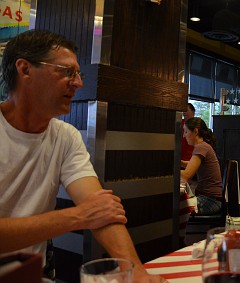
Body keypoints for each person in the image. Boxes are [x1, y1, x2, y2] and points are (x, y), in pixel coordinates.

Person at [0, 30, 162, 282]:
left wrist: (135, 271)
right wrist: (77, 216)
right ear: (25, 69)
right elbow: (89, 213)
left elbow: (100, 209)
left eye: (77, 73)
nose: (78, 83)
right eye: (66, 71)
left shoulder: (66, 136)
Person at [181, 117, 223, 215]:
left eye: (186, 132)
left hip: (210, 202)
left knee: (172, 206)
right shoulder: (204, 146)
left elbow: (186, 176)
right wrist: (180, 162)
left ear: (195, 131)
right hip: (212, 199)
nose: (184, 136)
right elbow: (193, 164)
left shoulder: (201, 147)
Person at [180, 103, 195, 167]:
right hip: (180, 157)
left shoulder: (197, 123)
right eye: (183, 111)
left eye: (186, 110)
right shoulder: (180, 122)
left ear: (193, 111)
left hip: (191, 158)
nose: (184, 112)